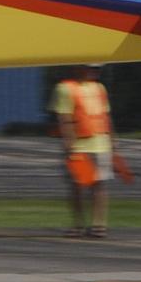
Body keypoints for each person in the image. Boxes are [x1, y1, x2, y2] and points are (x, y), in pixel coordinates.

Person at [53, 64, 122, 238]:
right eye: (91, 68)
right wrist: (69, 144)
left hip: (101, 144)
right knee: (78, 186)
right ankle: (78, 224)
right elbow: (64, 118)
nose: (95, 71)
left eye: (97, 69)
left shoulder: (100, 88)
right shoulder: (66, 88)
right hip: (80, 146)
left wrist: (113, 140)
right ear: (78, 68)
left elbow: (106, 115)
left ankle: (99, 224)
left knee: (100, 186)